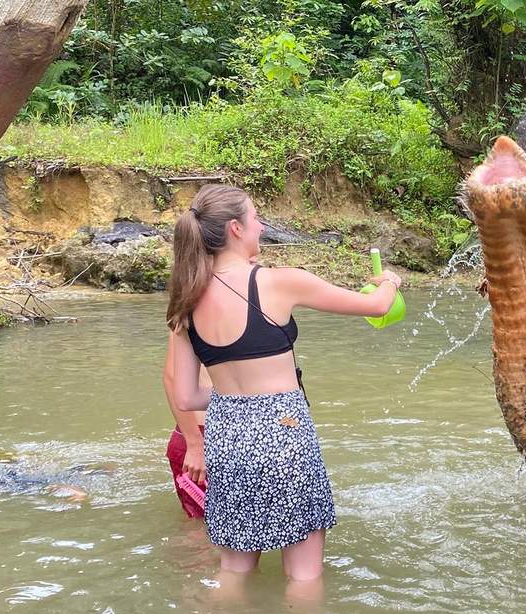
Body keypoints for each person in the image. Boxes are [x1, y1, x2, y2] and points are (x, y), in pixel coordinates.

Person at [166, 184, 402, 587]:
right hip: (284, 433)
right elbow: (377, 307)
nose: (262, 226)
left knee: (235, 570)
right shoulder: (280, 282)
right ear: (237, 229)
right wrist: (390, 281)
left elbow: (187, 395)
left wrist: (235, 397)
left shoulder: (187, 299)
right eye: (256, 218)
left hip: (227, 438)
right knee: (304, 576)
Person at [162, 340, 210, 518]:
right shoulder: (196, 312)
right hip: (201, 436)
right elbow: (172, 376)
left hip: (210, 435)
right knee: (201, 535)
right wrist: (196, 445)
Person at [0, 466, 89, 501]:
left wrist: (79, 494)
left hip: (45, 477)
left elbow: (55, 485)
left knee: (82, 471)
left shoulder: (17, 489)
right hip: (16, 473)